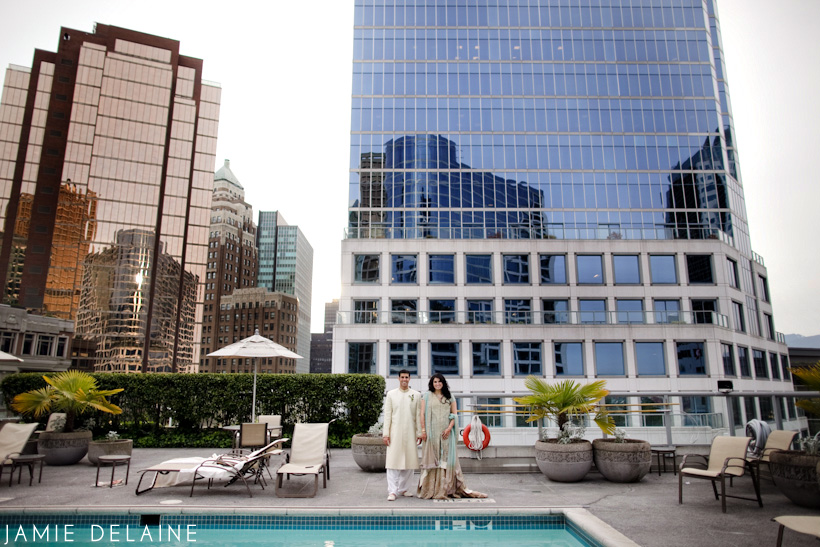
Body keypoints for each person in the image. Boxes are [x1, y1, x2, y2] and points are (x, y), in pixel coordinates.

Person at [417, 373, 487, 499]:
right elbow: (422, 414)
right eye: (435, 382)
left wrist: (449, 429)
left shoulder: (450, 397)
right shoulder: (426, 396)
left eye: (439, 381)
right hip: (431, 433)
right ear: (432, 384)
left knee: (446, 458)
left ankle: (446, 488)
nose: (437, 384)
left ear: (443, 383)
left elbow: (454, 415)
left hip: (446, 434)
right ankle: (431, 489)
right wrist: (423, 431)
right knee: (434, 458)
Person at [382, 369, 422, 501]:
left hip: (410, 432)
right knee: (393, 462)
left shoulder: (416, 395)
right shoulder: (391, 394)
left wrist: (419, 433)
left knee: (409, 462)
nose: (404, 379)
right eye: (402, 377)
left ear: (409, 379)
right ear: (398, 379)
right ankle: (392, 491)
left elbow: (417, 415)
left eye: (407, 377)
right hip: (395, 432)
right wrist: (386, 434)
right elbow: (387, 415)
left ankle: (403, 489)